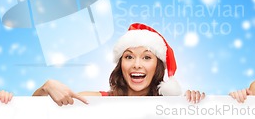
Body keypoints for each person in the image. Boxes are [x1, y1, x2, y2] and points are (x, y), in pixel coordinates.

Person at [33, 23, 206, 106]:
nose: (136, 65)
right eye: (129, 57)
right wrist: (46, 87)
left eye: (146, 57)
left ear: (158, 67)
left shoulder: (172, 105)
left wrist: (231, 100)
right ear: (120, 64)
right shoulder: (93, 101)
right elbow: (29, 113)